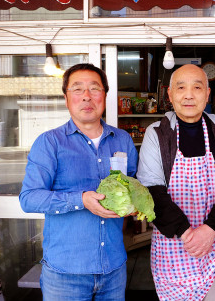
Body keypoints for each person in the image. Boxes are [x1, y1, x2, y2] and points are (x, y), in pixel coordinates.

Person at [19, 63, 138, 301]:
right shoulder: (50, 142)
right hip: (65, 274)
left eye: (94, 88)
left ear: (104, 95)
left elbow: (133, 185)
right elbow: (29, 198)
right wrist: (81, 199)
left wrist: (133, 204)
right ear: (66, 98)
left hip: (114, 268)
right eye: (77, 89)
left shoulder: (122, 140)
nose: (86, 96)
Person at [137, 64, 215, 301]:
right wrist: (188, 234)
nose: (189, 95)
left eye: (197, 87)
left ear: (207, 94)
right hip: (173, 243)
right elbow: (151, 191)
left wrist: (209, 231)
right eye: (181, 87)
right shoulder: (157, 133)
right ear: (170, 95)